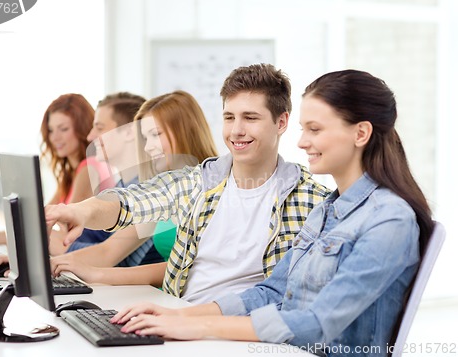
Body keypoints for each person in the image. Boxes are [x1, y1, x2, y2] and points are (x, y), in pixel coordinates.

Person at [110, 69, 434, 356]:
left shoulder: (389, 220)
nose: (303, 141)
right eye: (304, 129)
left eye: (315, 130)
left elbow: (317, 324)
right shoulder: (327, 210)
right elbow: (272, 291)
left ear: (360, 133)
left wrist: (199, 327)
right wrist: (179, 317)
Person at [45, 63, 330, 304]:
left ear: (282, 123)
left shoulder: (311, 200)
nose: (237, 130)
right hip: (177, 319)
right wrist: (80, 211)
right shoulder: (198, 182)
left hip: (241, 332)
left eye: (250, 118)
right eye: (229, 117)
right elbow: (130, 201)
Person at [50, 90, 218, 282]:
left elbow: (193, 266)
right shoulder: (166, 189)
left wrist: (95, 272)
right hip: (163, 297)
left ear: (185, 130)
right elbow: (121, 206)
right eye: (146, 138)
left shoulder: (214, 187)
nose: (147, 147)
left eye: (156, 134)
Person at [0, 93, 111, 246]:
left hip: (82, 257)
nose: (54, 138)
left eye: (64, 129)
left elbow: (57, 230)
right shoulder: (72, 174)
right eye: (51, 130)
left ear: (82, 129)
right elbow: (38, 222)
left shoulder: (89, 168)